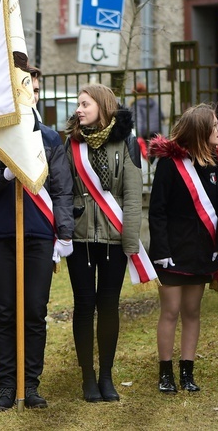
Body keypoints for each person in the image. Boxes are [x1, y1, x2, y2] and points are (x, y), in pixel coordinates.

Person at [0, 74, 74, 411]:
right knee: (3, 313)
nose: (32, 94)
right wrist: (4, 175)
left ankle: (30, 383)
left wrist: (65, 233)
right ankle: (6, 385)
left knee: (34, 311)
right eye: (26, 88)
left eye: (37, 90)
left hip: (39, 236)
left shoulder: (50, 138)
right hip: (0, 236)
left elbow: (61, 190)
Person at [63, 83, 143, 402]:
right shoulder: (69, 144)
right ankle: (88, 377)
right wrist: (68, 222)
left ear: (102, 106)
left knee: (109, 306)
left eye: (85, 104)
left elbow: (133, 194)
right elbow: (62, 190)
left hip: (114, 237)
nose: (78, 109)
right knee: (84, 305)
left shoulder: (126, 142)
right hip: (79, 239)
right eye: (78, 104)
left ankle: (107, 376)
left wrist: (131, 240)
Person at [148, 104, 218, 393]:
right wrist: (162, 250)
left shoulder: (215, 164)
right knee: (171, 311)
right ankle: (165, 373)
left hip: (201, 250)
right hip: (173, 252)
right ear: (200, 131)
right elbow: (157, 211)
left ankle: (187, 372)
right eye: (214, 125)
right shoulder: (169, 164)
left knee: (192, 311)